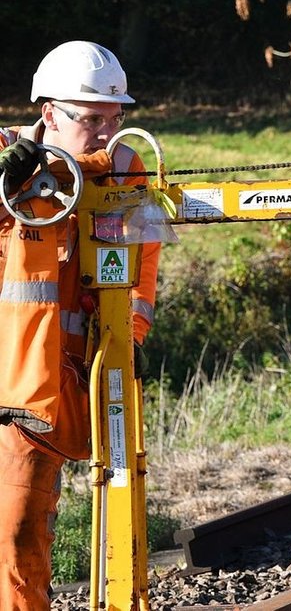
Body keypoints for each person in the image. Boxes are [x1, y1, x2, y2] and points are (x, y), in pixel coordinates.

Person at [0, 40, 160, 609]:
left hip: (70, 384)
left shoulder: (124, 168)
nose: (106, 132)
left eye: (116, 118)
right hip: (15, 380)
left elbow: (141, 270)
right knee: (13, 540)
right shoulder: (8, 163)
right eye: (92, 119)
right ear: (50, 114)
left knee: (22, 537)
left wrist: (129, 340)